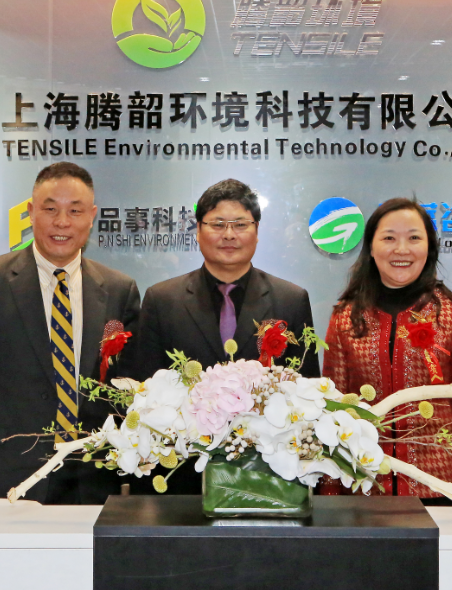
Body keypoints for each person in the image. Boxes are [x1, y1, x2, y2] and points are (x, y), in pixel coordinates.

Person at [0, 162, 141, 504]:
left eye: (75, 211)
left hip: (90, 478)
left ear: (92, 217)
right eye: (50, 209)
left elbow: (128, 390)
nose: (62, 222)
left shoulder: (120, 290)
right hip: (2, 473)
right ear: (30, 212)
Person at [127, 179, 317, 494]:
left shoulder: (291, 300)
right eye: (217, 224)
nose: (229, 234)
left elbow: (306, 391)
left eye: (240, 224)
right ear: (198, 231)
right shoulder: (162, 300)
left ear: (257, 231)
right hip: (182, 475)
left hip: (268, 475)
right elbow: (145, 391)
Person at [321, 198, 452, 505]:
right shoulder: (346, 316)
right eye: (389, 238)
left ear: (429, 247)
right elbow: (333, 411)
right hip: (364, 486)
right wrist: (330, 491)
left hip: (440, 488)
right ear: (371, 248)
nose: (402, 249)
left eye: (414, 238)